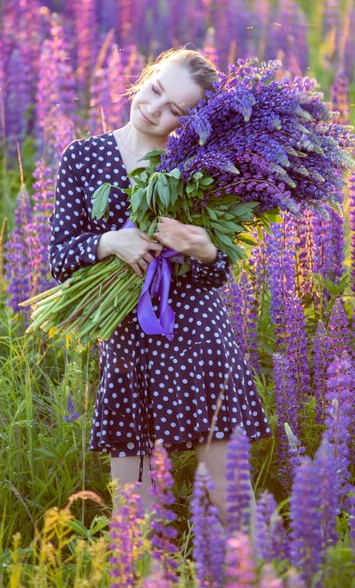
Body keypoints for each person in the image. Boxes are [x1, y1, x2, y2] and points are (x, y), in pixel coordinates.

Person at [48, 47, 272, 527]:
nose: (155, 109)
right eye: (155, 91)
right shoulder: (85, 156)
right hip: (128, 348)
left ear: (192, 122)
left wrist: (202, 248)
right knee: (137, 521)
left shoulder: (201, 167)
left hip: (199, 339)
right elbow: (59, 259)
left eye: (176, 110)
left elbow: (216, 275)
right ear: (144, 78)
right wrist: (113, 241)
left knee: (234, 507)